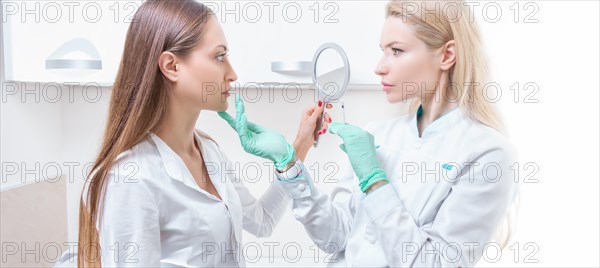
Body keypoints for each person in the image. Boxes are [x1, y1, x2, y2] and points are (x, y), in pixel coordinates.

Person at [224, 0, 519, 266]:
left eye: (397, 51)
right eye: (383, 52)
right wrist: (290, 166)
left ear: (446, 55)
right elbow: (334, 238)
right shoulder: (376, 135)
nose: (379, 68)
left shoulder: (489, 155)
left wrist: (375, 182)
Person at [73, 0, 330, 267]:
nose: (232, 73)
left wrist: (296, 148)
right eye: (220, 56)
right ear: (172, 66)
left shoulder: (208, 151)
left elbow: (262, 221)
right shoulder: (130, 179)